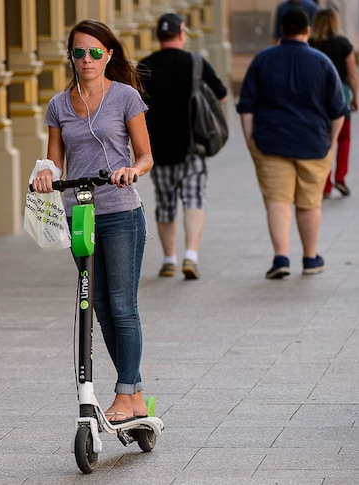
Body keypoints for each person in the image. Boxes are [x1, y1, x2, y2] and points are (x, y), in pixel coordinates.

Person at [31, 20, 154, 423]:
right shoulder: (58, 105)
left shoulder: (125, 97)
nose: (87, 59)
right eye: (80, 52)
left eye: (95, 52)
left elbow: (145, 155)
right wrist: (45, 173)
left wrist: (132, 170)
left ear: (108, 55)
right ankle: (134, 395)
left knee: (122, 304)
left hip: (120, 212)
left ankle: (124, 393)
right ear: (71, 56)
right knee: (98, 306)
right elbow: (54, 160)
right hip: (79, 215)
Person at [237, 7, 345, 279]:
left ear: (282, 31)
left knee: (278, 200)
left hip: (271, 142)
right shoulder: (322, 62)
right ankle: (310, 257)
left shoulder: (262, 60)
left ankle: (281, 257)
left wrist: (250, 140)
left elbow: (246, 106)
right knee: (310, 202)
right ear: (307, 31)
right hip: (314, 143)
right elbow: (338, 111)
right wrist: (331, 141)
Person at [137, 13, 227, 280]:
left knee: (165, 204)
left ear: (158, 36)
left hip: (158, 149)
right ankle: (190, 256)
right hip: (192, 147)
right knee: (194, 198)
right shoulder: (195, 62)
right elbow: (222, 95)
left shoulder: (145, 66)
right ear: (181, 33)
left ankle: (169, 260)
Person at [309, 8, 358, 197]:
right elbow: (352, 74)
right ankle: (340, 178)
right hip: (340, 95)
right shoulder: (343, 44)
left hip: (317, 96)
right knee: (343, 139)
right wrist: (355, 96)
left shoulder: (311, 44)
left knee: (324, 139)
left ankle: (325, 184)